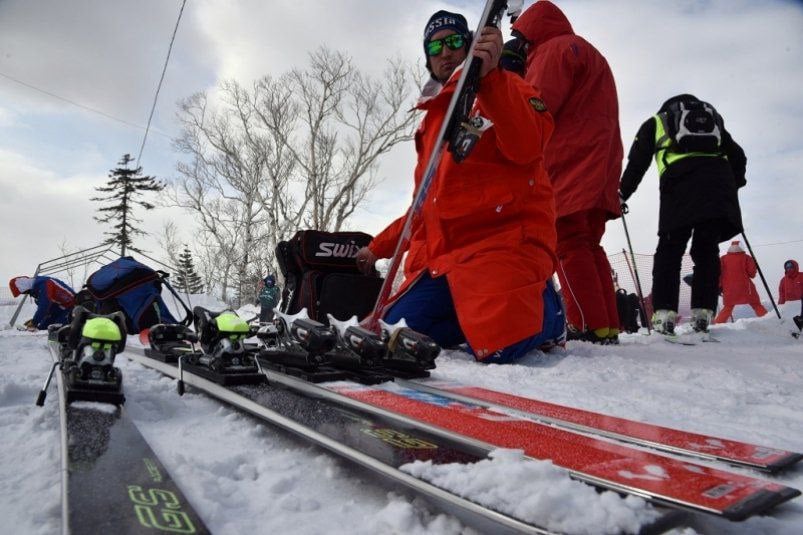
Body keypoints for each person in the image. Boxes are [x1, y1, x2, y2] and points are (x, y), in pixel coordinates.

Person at [354, 10, 563, 364]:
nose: (445, 52)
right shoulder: (432, 119)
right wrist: (377, 248)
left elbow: (529, 144)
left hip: (501, 248)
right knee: (392, 336)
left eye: (454, 41)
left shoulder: (508, 87)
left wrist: (491, 79)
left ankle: (549, 312)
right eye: (436, 46)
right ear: (427, 57)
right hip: (445, 262)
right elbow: (424, 206)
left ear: (470, 45)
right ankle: (470, 319)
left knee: (499, 347)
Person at [509, 0, 623, 344]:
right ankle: (607, 325)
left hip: (570, 161)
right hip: (601, 163)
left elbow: (537, 105)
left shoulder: (552, 51)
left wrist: (512, 83)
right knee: (589, 244)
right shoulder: (588, 51)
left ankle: (586, 325)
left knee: (568, 243)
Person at [619, 94, 747, 334]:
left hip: (679, 187)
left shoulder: (657, 122)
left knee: (670, 249)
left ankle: (664, 314)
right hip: (717, 189)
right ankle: (703, 313)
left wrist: (622, 195)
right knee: (706, 249)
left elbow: (638, 163)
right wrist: (733, 185)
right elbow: (738, 157)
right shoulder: (715, 122)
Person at [714, 241, 767, 323]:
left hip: (729, 289)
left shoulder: (723, 258)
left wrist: (719, 286)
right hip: (746, 288)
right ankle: (768, 320)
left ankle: (717, 324)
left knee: (728, 308)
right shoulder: (746, 257)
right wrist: (754, 264)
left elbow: (718, 274)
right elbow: (752, 274)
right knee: (756, 305)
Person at [9, 275, 75, 330]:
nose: (24, 294)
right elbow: (48, 309)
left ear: (25, 288)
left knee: (57, 329)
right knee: (42, 328)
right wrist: (35, 321)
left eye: (23, 292)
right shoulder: (37, 291)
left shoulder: (45, 284)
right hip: (60, 309)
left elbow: (44, 306)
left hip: (72, 306)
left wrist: (35, 321)